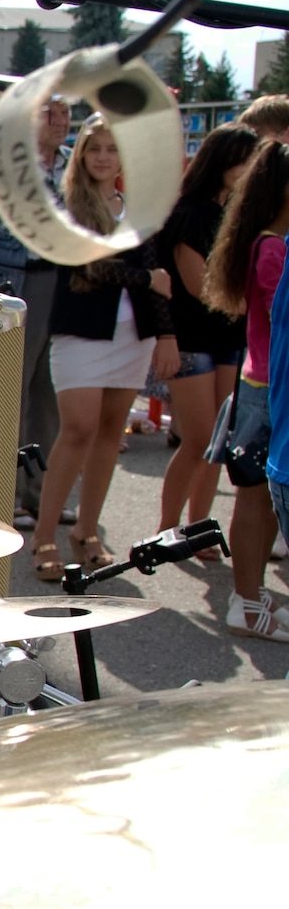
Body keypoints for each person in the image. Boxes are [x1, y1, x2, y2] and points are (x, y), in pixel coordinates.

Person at [30, 118, 176, 581]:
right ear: (82, 154)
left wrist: (167, 335)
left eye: (113, 149)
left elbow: (160, 280)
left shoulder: (133, 208)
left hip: (133, 336)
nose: (103, 157)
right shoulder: (68, 205)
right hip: (81, 333)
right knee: (77, 430)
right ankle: (45, 537)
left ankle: (87, 532)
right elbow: (88, 266)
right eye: (95, 148)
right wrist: (144, 279)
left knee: (112, 433)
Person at [0, 95, 74, 529]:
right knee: (11, 396)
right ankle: (1, 496)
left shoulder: (75, 169)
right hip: (16, 289)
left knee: (52, 398)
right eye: (50, 113)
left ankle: (42, 496)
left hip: (65, 289)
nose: (61, 121)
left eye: (65, 114)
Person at [201, 139, 289, 640]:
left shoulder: (270, 241)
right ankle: (247, 601)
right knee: (256, 500)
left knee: (266, 500)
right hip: (266, 387)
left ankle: (252, 598)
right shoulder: (273, 247)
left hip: (262, 383)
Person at [157, 124, 260, 538]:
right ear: (220, 160)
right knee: (199, 436)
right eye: (241, 159)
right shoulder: (188, 212)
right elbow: (197, 284)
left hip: (228, 338)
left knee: (219, 441)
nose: (248, 168)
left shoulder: (239, 214)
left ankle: (198, 529)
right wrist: (255, 307)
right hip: (192, 336)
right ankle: (166, 529)